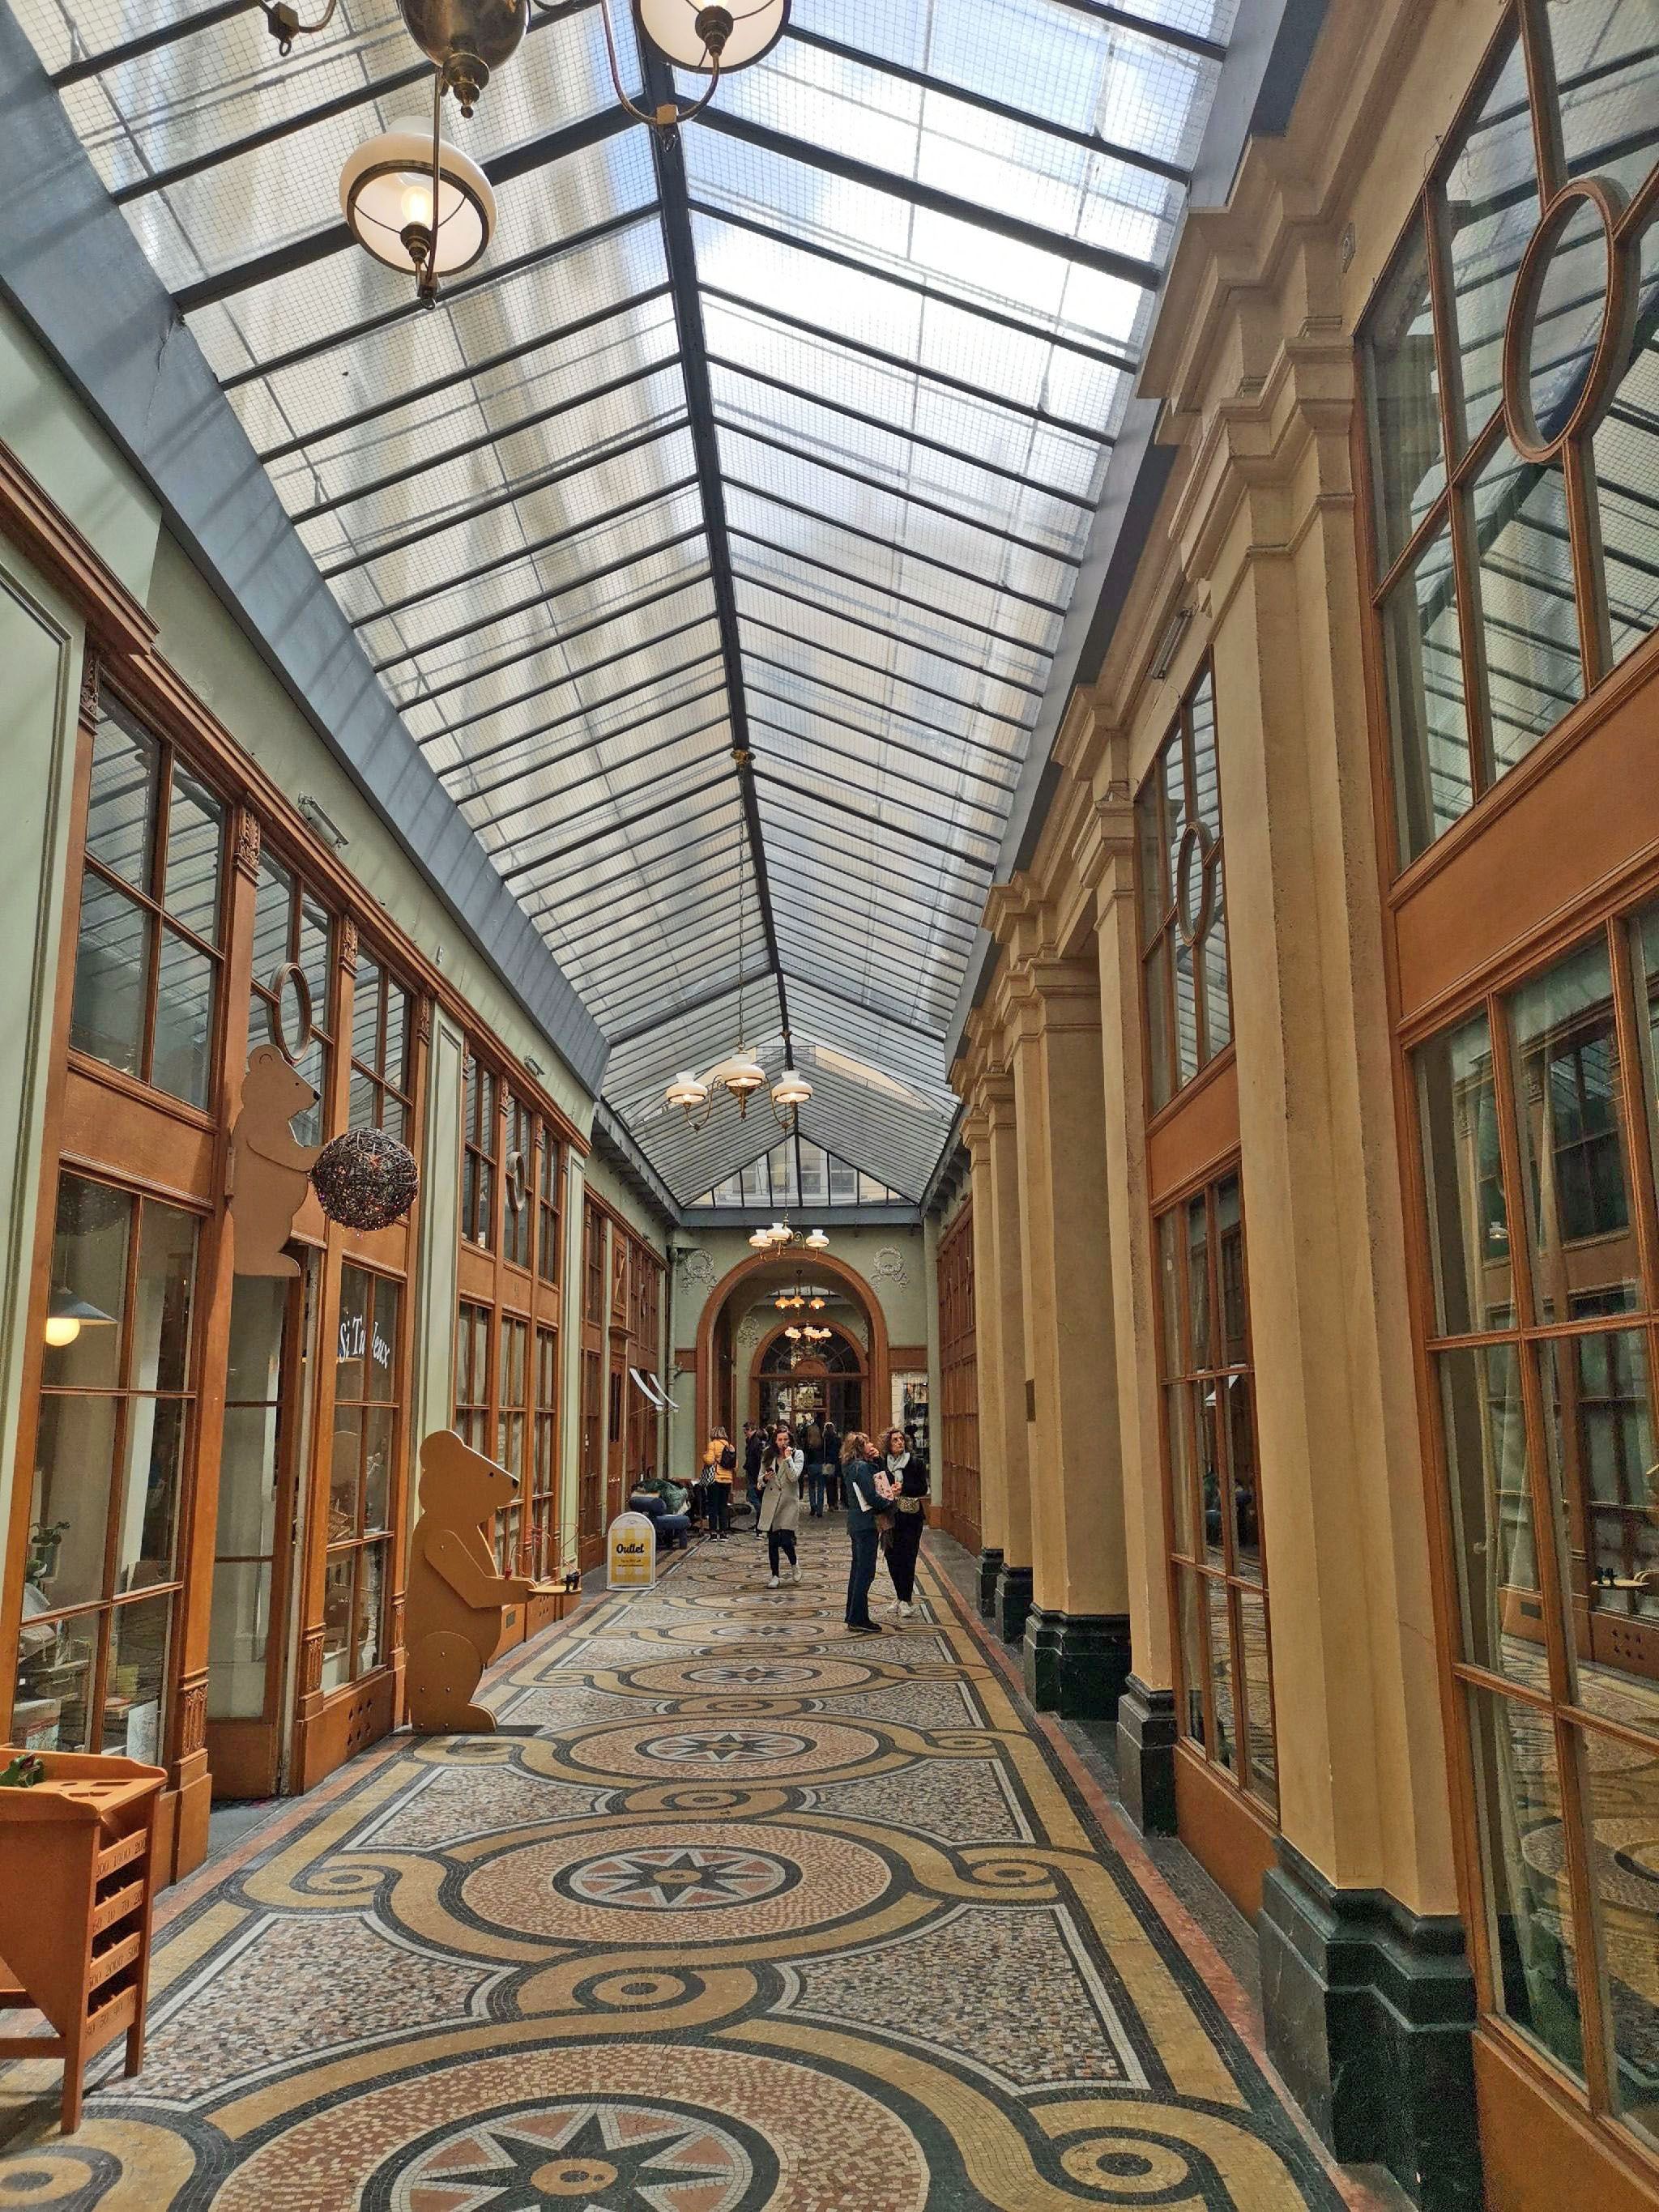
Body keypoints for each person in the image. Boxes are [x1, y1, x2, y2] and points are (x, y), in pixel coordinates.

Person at [841, 1431, 893, 1634]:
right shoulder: (861, 1468)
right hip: (866, 1523)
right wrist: (890, 1503)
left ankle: (853, 1614)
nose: (871, 1445)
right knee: (865, 1572)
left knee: (857, 1570)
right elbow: (871, 1495)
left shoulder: (850, 1466)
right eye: (867, 1443)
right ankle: (859, 1618)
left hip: (856, 1523)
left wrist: (876, 1460)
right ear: (860, 1448)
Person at [879, 1426, 930, 1617]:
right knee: (892, 1557)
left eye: (901, 1439)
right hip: (890, 1517)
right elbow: (879, 1488)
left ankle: (906, 1599)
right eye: (895, 1440)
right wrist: (889, 1491)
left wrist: (904, 1488)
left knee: (908, 1557)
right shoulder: (882, 1465)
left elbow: (922, 1488)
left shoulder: (915, 1463)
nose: (899, 1442)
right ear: (888, 1444)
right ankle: (900, 1596)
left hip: (911, 1517)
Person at [757, 1422, 804, 1587]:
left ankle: (794, 1563)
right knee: (772, 1542)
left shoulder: (797, 1454)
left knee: (785, 1539)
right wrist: (764, 1478)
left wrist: (788, 1458)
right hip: (771, 1501)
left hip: (788, 1502)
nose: (782, 1442)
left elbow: (794, 1477)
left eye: (785, 1439)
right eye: (779, 1439)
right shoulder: (767, 1455)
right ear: (775, 1441)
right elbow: (759, 1479)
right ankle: (775, 1575)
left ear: (790, 1440)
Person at [702, 1426, 736, 1540]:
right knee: (723, 1506)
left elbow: (709, 1460)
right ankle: (723, 1533)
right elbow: (735, 1464)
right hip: (727, 1480)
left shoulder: (712, 1445)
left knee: (713, 1506)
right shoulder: (729, 1446)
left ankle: (713, 1533)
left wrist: (704, 1456)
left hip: (715, 1478)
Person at [820, 1420, 840, 1512]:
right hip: (835, 1462)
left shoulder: (824, 1439)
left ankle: (830, 1504)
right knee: (835, 1483)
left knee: (829, 1484)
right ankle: (835, 1502)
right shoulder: (837, 1439)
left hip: (827, 1462)